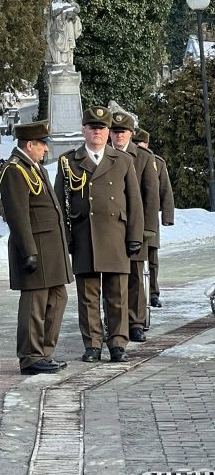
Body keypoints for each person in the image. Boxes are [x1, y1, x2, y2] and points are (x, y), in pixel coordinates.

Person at [54, 106, 143, 363]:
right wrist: (66, 238)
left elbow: (134, 201)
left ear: (108, 133)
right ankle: (92, 344)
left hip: (116, 234)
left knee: (117, 296)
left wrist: (134, 235)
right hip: (84, 235)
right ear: (84, 131)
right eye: (92, 127)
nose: (97, 132)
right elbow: (60, 202)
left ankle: (117, 344)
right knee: (89, 297)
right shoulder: (69, 161)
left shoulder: (123, 161)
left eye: (102, 128)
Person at [0, 121, 72, 375]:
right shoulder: (15, 170)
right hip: (35, 248)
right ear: (29, 145)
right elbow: (18, 215)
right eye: (42, 144)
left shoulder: (33, 167)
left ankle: (44, 352)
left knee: (57, 299)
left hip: (50, 248)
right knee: (35, 304)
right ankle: (30, 356)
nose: (45, 149)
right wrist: (28, 251)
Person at [108, 111, 160, 343]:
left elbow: (151, 197)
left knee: (136, 278)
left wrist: (147, 230)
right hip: (109, 228)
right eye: (116, 131)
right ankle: (115, 323)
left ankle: (136, 322)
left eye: (124, 132)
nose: (119, 136)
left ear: (131, 133)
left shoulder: (143, 157)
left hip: (134, 227)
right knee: (113, 279)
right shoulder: (102, 155)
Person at [132, 128, 175, 307]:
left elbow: (165, 190)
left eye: (139, 143)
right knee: (135, 263)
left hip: (149, 216)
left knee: (152, 258)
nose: (137, 146)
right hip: (133, 218)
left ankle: (153, 293)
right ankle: (138, 295)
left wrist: (167, 216)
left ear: (147, 144)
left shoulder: (156, 162)